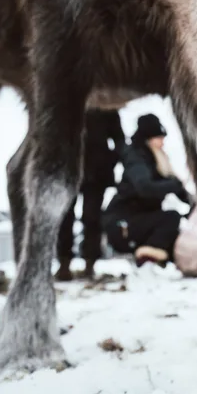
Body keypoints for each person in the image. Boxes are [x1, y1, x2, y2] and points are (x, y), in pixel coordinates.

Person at [102, 114, 194, 267]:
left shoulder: (157, 160)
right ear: (148, 138)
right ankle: (147, 262)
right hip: (122, 222)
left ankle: (154, 261)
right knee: (171, 218)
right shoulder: (136, 158)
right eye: (159, 138)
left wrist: (195, 205)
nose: (162, 143)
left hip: (139, 219)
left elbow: (176, 189)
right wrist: (175, 185)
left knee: (174, 230)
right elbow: (145, 187)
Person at [55, 109, 126, 281]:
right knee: (65, 218)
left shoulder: (104, 107)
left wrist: (110, 160)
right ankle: (64, 263)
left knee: (91, 218)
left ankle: (89, 262)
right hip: (69, 167)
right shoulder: (66, 103)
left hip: (96, 171)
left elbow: (119, 138)